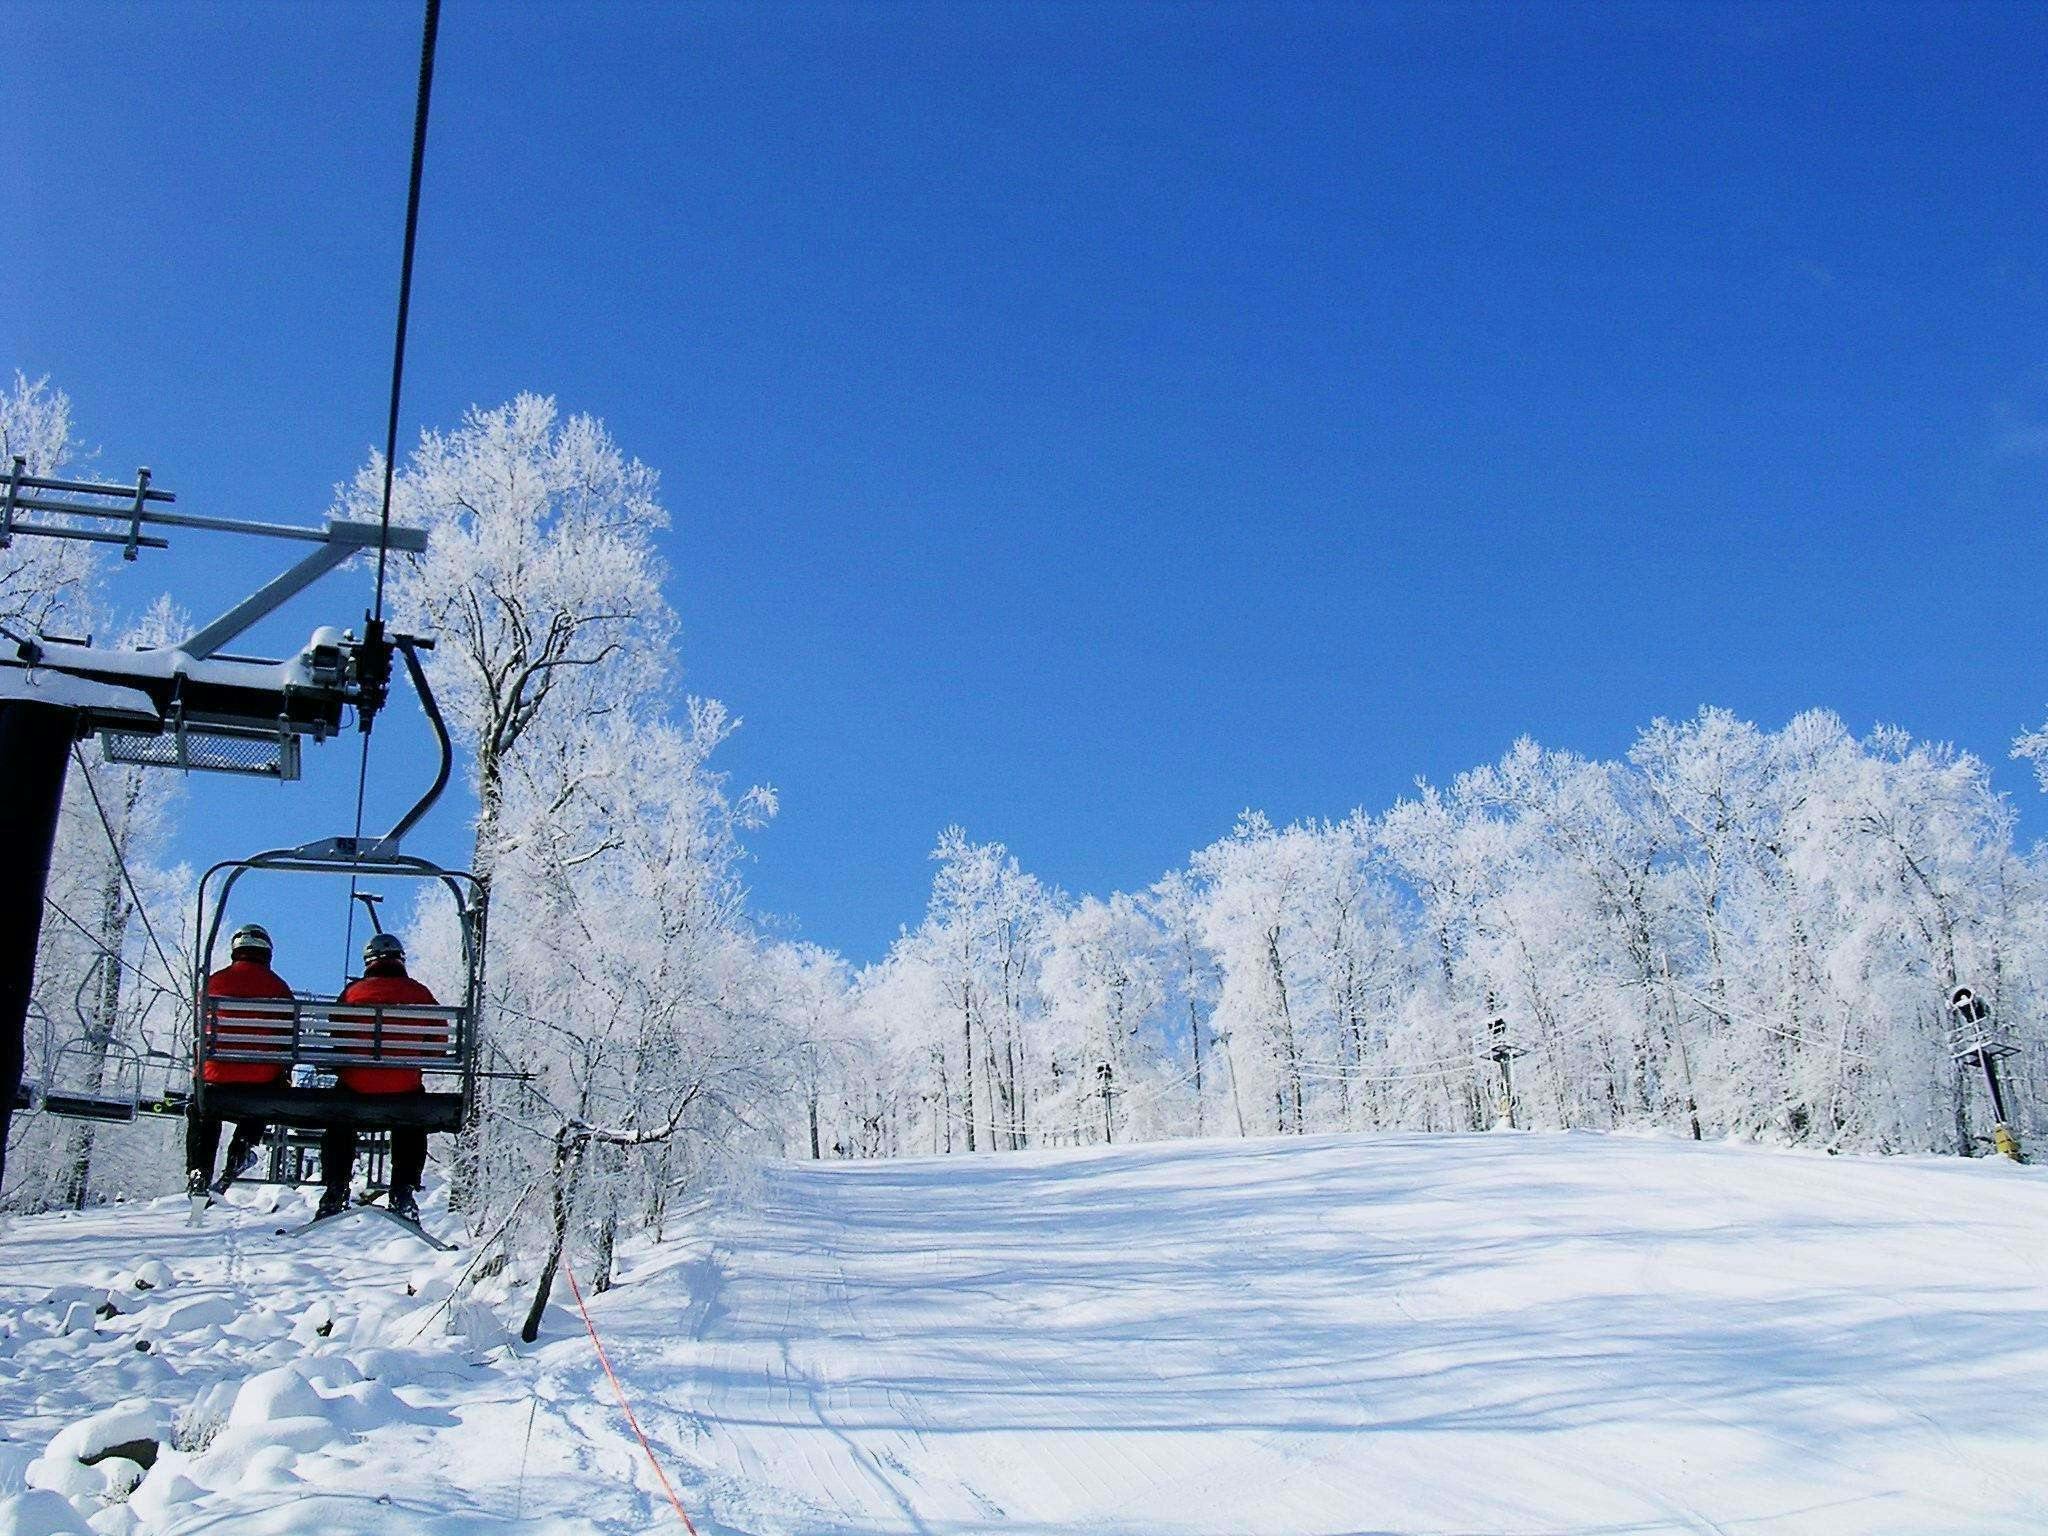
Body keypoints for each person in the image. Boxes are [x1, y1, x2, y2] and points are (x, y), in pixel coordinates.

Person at [318, 932, 440, 1222]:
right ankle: (403, 1189)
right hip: (403, 1089)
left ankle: (336, 1188)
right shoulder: (419, 993)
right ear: (401, 960)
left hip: (356, 1087)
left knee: (339, 1117)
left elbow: (337, 1039)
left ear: (368, 962)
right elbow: (437, 1043)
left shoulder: (353, 994)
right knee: (412, 1116)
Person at [187, 922, 291, 1199]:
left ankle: (199, 1169)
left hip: (215, 1078)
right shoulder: (279, 989)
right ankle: (242, 1149)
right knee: (262, 1093)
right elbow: (287, 1039)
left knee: (203, 1109)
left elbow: (200, 1029)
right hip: (260, 1084)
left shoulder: (214, 983)